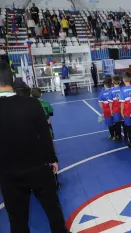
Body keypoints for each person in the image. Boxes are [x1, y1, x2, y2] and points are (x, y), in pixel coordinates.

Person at [0, 61, 69, 233]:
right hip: (38, 167)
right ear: (13, 79)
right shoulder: (32, 103)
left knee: (17, 219)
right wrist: (52, 159)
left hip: (8, 173)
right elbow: (45, 136)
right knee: (53, 209)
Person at [120, 72, 131, 148]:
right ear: (130, 79)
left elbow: (122, 103)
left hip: (127, 111)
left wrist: (121, 112)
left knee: (128, 126)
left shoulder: (122, 90)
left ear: (123, 80)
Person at [109, 75, 123, 141]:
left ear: (112, 82)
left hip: (115, 110)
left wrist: (111, 110)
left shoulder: (111, 91)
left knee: (117, 124)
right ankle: (126, 136)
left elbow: (110, 102)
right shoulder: (122, 89)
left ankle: (118, 136)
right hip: (123, 109)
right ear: (120, 81)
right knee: (124, 122)